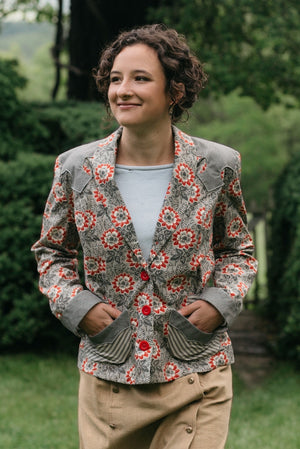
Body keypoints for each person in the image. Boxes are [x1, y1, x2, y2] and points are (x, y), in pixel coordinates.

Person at [32, 24, 257, 449]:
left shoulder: (218, 165)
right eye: (115, 79)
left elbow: (237, 250)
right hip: (110, 374)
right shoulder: (75, 168)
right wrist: (78, 306)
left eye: (140, 78)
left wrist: (220, 301)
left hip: (198, 367)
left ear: (174, 92)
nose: (122, 90)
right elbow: (52, 253)